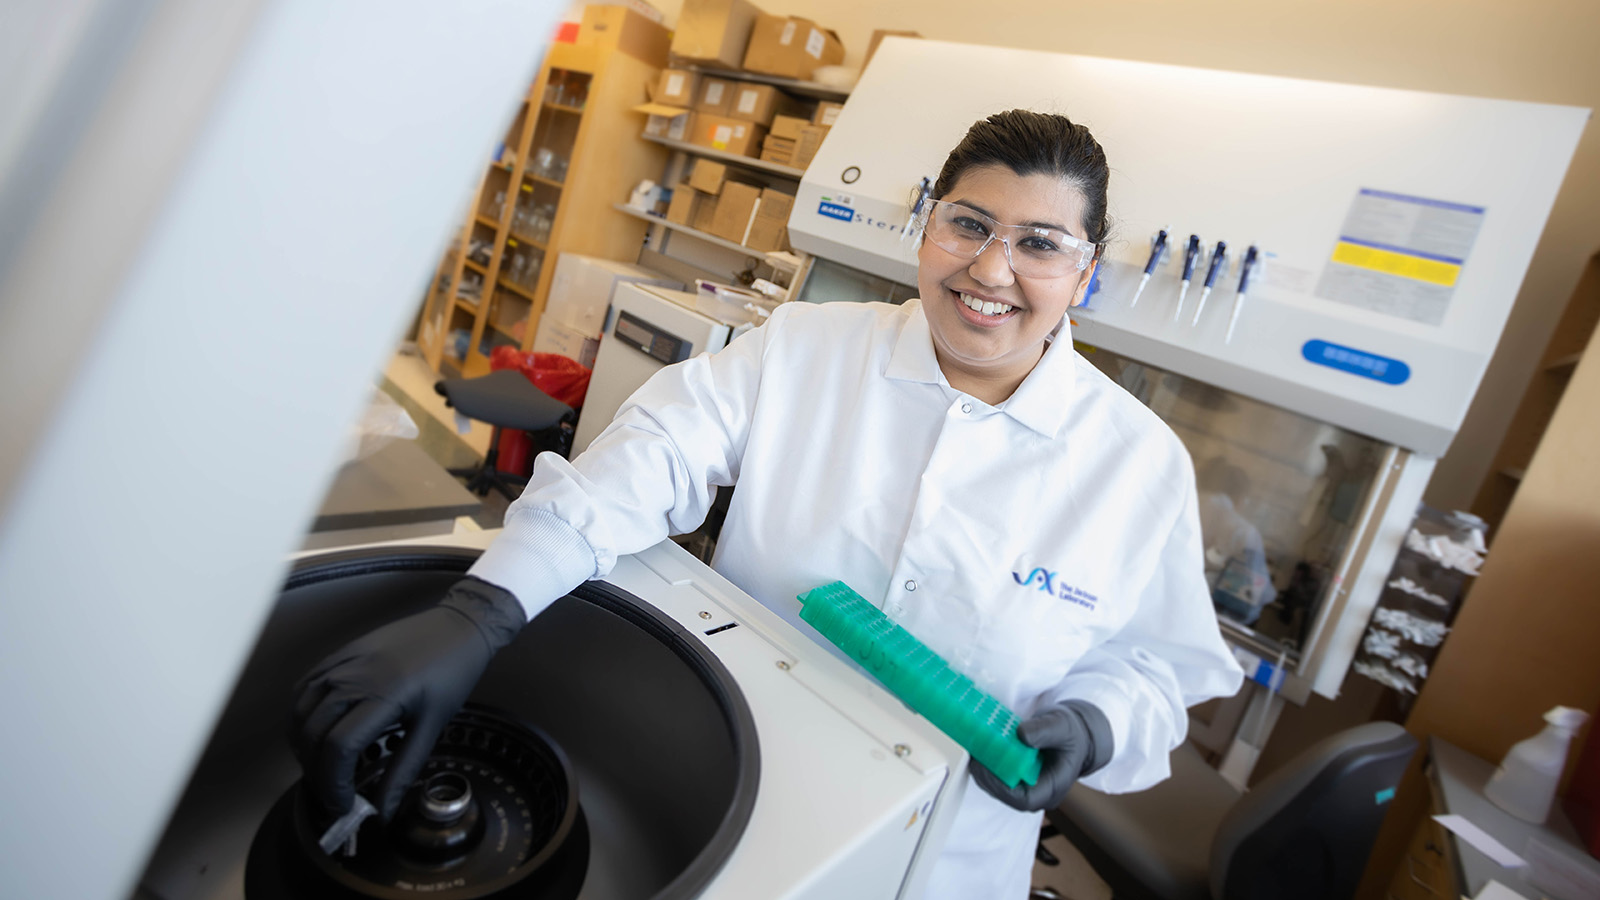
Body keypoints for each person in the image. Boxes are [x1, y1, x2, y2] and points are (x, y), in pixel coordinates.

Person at [293, 109, 1244, 898]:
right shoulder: (804, 350)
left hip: (951, 860)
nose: (991, 270)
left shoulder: (1136, 463)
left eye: (1040, 244)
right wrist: (485, 606)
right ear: (928, 224)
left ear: (1085, 271)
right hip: (738, 790)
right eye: (968, 224)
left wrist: (1098, 722)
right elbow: (651, 457)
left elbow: (1158, 668)